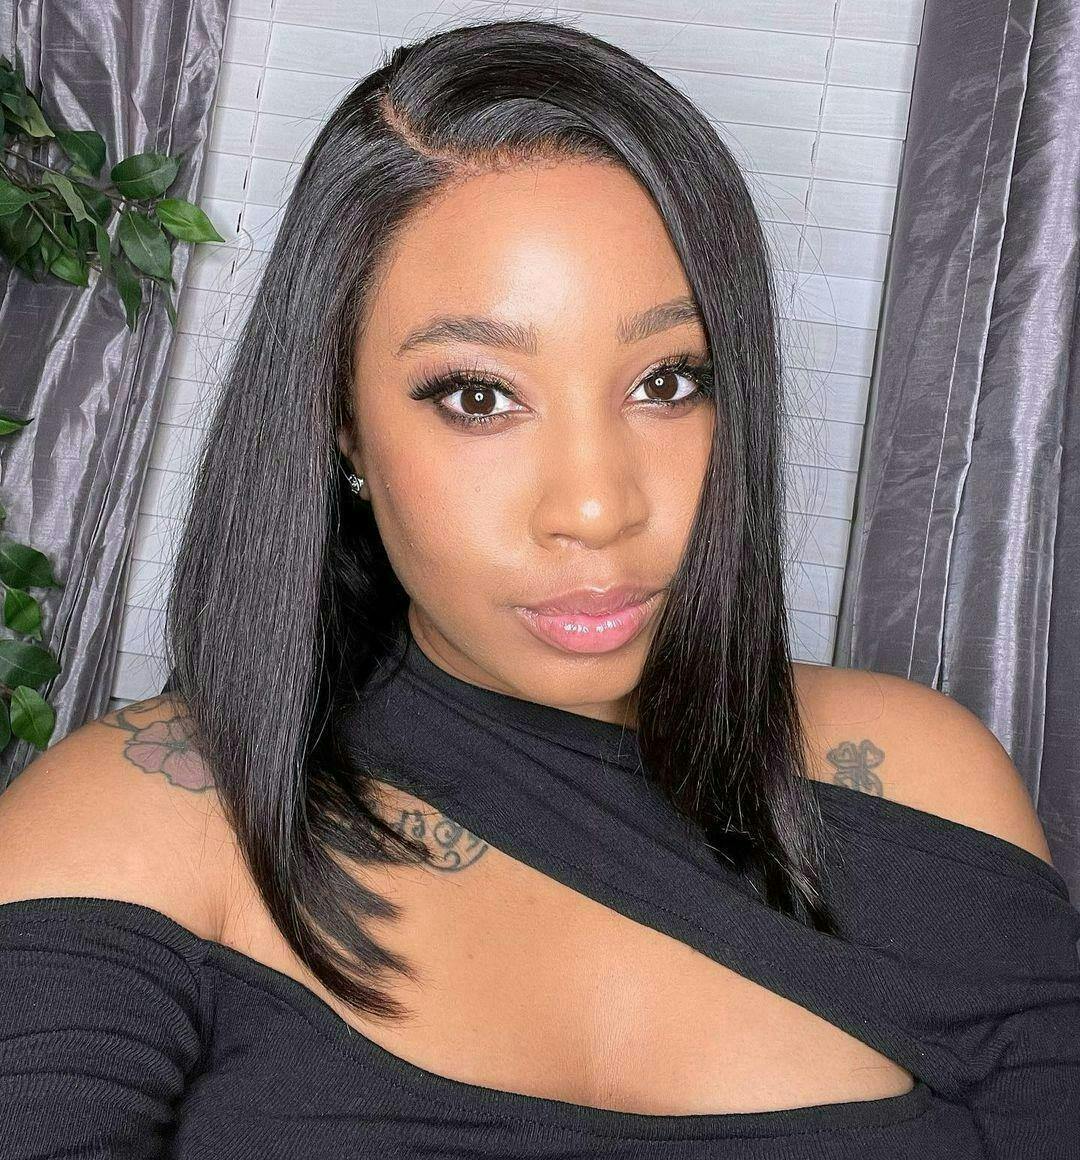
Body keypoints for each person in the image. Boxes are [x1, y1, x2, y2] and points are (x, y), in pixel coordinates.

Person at [1, 17, 1077, 1159]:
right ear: (340, 420)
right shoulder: (142, 820)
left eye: (668, 381)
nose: (597, 506)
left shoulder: (923, 778)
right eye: (478, 396)